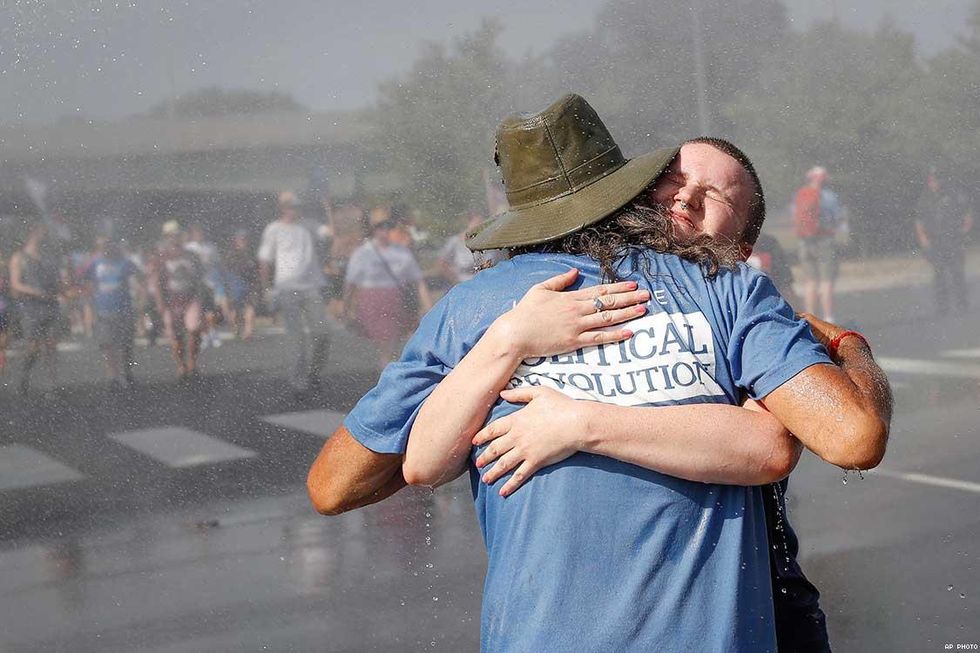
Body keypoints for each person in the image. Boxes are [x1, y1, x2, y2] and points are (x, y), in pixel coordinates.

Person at [307, 95, 891, 651]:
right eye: (674, 182)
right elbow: (365, 477)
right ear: (631, 190)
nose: (684, 200)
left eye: (714, 196)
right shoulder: (479, 313)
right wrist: (504, 343)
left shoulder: (733, 291)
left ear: (744, 241)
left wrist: (573, 418)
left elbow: (829, 439)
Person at [258, 191, 332, 398]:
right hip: (286, 289)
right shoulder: (274, 229)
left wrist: (328, 208)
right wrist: (266, 289)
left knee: (323, 333)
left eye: (296, 206)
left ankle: (314, 373)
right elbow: (265, 260)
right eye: (290, 207)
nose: (294, 210)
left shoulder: (308, 226)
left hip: (311, 287)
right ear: (282, 208)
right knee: (296, 338)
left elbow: (331, 232)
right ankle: (297, 382)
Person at [341, 212, 433, 370]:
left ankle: (386, 378)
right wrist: (346, 308)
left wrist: (429, 308)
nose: (384, 231)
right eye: (379, 227)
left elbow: (418, 282)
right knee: (387, 347)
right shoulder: (363, 253)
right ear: (372, 229)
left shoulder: (401, 252)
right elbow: (350, 284)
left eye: (387, 226)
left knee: (392, 347)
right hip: (372, 302)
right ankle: (388, 381)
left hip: (396, 301)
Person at [9, 222, 64, 395]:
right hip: (30, 308)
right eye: (41, 232)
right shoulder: (19, 258)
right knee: (33, 347)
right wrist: (36, 292)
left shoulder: (49, 257)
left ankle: (52, 385)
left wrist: (60, 288)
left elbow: (57, 281)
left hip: (50, 305)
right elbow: (15, 284)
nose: (45, 235)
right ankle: (25, 374)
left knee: (51, 345)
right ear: (31, 234)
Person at [149, 220, 207, 381]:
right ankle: (181, 365)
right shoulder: (161, 257)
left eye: (177, 235)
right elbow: (157, 281)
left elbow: (200, 278)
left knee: (194, 328)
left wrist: (200, 297)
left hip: (190, 297)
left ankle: (192, 363)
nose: (174, 238)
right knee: (175, 336)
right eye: (171, 236)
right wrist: (160, 303)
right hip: (171, 299)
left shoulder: (192, 255)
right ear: (166, 237)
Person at [83, 236, 142, 388]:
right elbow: (88, 283)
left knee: (125, 344)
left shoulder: (125, 262)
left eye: (107, 245)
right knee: (108, 344)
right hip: (103, 308)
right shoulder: (94, 263)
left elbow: (137, 278)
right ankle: (113, 376)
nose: (105, 249)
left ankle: (127, 372)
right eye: (101, 246)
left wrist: (139, 298)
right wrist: (90, 307)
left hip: (123, 307)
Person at [914, 169, 973, 316]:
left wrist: (964, 232)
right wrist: (924, 242)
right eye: (932, 180)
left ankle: (962, 305)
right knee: (939, 275)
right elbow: (919, 222)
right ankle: (942, 308)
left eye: (937, 180)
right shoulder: (924, 200)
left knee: (957, 273)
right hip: (936, 243)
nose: (934, 183)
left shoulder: (953, 196)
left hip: (953, 240)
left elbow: (967, 213)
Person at [794, 165, 846, 322]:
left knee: (810, 281)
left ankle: (811, 319)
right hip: (824, 241)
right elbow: (837, 219)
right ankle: (829, 318)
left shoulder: (801, 194)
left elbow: (793, 216)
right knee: (826, 281)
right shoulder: (829, 196)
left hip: (805, 242)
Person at [223, 229, 259, 339]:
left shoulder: (252, 253)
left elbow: (257, 269)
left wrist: (257, 283)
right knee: (235, 310)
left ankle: (248, 332)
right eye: (241, 239)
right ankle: (235, 328)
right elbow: (226, 271)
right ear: (236, 240)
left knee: (250, 307)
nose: (243, 241)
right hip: (235, 285)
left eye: (245, 239)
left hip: (250, 285)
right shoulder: (231, 254)